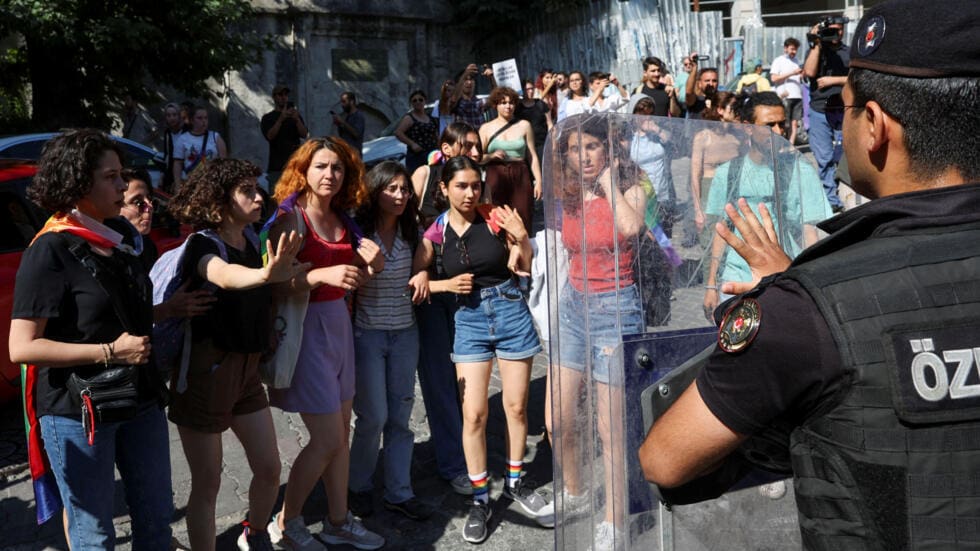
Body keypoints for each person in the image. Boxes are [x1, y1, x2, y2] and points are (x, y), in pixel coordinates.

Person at [640, 5, 980, 547]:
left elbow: (664, 459)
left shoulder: (809, 308)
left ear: (874, 126)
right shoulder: (807, 300)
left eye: (840, 109)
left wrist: (791, 300)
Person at [10, 128, 172, 549]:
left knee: (156, 524)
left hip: (141, 400)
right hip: (78, 412)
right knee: (93, 536)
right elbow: (22, 347)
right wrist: (110, 352)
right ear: (78, 183)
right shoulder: (50, 249)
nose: (122, 185)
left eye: (121, 175)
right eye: (111, 176)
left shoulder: (118, 235)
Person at [166, 158, 307, 551]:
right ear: (221, 201)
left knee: (268, 466)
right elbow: (224, 277)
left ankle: (255, 533)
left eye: (257, 188)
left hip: (245, 370)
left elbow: (259, 296)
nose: (259, 196)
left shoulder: (252, 240)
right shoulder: (203, 245)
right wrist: (266, 275)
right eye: (247, 191)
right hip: (206, 371)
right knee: (208, 482)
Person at [413, 156, 550, 544]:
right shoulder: (436, 231)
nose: (471, 193)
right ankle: (479, 498)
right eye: (462, 186)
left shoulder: (494, 216)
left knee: (517, 408)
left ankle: (515, 483)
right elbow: (416, 277)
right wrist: (441, 283)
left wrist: (521, 237)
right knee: (473, 415)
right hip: (469, 322)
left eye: (476, 185)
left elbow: (522, 266)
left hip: (509, 312)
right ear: (444, 188)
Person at [265, 137, 385, 551]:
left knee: (341, 436)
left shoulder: (343, 218)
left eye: (337, 168)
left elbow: (351, 281)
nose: (329, 175)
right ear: (303, 170)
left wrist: (374, 268)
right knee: (327, 439)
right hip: (305, 328)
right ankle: (287, 521)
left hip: (339, 325)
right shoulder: (289, 217)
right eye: (320, 167)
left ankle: (338, 520)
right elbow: (274, 284)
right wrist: (318, 277)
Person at [545, 116, 647, 551]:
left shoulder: (632, 186)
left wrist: (608, 183)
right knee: (557, 419)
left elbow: (630, 229)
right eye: (574, 149)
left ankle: (615, 521)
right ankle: (575, 490)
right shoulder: (568, 195)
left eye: (591, 146)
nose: (583, 156)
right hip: (573, 306)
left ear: (608, 149)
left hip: (616, 310)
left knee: (610, 430)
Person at [347, 161, 432, 521]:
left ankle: (399, 491)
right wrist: (373, 268)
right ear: (376, 190)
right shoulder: (357, 232)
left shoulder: (413, 230)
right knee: (372, 416)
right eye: (392, 189)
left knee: (401, 416)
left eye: (404, 189)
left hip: (405, 333)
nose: (400, 195)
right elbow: (349, 284)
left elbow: (421, 269)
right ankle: (358, 487)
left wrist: (425, 270)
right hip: (367, 334)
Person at [700, 91, 831, 319]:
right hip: (736, 278)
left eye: (782, 124)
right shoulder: (727, 173)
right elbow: (720, 233)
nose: (779, 132)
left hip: (784, 278)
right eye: (770, 125)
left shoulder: (801, 171)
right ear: (748, 127)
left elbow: (810, 233)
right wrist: (711, 285)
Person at [409, 122, 482, 497]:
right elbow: (415, 256)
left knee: (467, 384)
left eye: (476, 146)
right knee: (440, 384)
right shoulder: (424, 176)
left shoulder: (475, 189)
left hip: (468, 299)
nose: (472, 151)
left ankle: (471, 454)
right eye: (465, 145)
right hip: (435, 298)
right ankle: (453, 463)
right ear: (447, 148)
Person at [479, 86, 543, 233]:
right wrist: (491, 156)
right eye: (503, 102)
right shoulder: (486, 128)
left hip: (520, 173)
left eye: (511, 102)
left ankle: (523, 252)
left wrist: (538, 181)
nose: (508, 106)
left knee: (523, 216)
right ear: (495, 105)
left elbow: (531, 155)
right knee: (496, 216)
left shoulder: (524, 125)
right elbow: (477, 158)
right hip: (495, 173)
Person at [803, 14, 850, 211]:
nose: (837, 33)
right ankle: (832, 201)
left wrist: (835, 80)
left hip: (844, 110)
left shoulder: (849, 52)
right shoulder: (816, 51)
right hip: (819, 111)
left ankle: (841, 191)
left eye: (840, 29)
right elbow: (809, 73)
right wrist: (816, 43)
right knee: (824, 159)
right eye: (832, 29)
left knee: (843, 157)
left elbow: (859, 78)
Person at [689, 91, 741, 237]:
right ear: (720, 110)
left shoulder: (738, 136)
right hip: (710, 190)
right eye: (733, 108)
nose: (737, 112)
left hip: (733, 190)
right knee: (710, 238)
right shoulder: (703, 137)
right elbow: (695, 174)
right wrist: (698, 210)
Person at [261, 84, 310, 192]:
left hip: (295, 165)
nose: (284, 97)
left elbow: (304, 134)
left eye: (286, 95)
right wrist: (281, 119)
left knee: (297, 198)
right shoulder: (268, 118)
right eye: (280, 95)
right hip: (277, 167)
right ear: (274, 97)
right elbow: (270, 136)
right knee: (276, 199)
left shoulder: (295, 115)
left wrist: (297, 119)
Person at [172, 105, 227, 191]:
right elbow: (177, 164)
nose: (204, 121)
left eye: (206, 118)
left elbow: (224, 162)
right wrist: (177, 185)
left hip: (213, 184)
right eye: (200, 118)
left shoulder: (215, 137)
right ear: (192, 120)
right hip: (191, 185)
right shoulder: (183, 139)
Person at [394, 89, 439, 173]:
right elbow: (398, 132)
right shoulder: (409, 118)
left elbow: (436, 134)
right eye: (414, 100)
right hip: (417, 156)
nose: (418, 102)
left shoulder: (430, 118)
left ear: (425, 101)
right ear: (411, 104)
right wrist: (412, 144)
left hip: (432, 154)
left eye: (420, 99)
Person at [770, 38, 805, 145]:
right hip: (785, 96)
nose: (794, 52)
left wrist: (801, 75)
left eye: (796, 50)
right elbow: (774, 78)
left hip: (797, 96)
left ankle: (790, 147)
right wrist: (792, 73)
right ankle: (780, 145)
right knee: (784, 124)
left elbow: (799, 78)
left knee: (794, 124)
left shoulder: (797, 61)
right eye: (792, 49)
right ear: (785, 48)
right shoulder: (778, 61)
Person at [449, 64, 494, 129]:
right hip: (463, 138)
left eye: (471, 79)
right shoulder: (456, 102)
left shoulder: (479, 102)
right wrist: (465, 73)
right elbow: (453, 100)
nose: (469, 82)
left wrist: (491, 77)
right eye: (465, 79)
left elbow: (497, 97)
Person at [333, 91, 366, 156]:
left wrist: (343, 122)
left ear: (351, 102)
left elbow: (356, 134)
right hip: (346, 153)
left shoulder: (358, 116)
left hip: (354, 154)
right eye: (341, 102)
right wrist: (339, 124)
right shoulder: (348, 117)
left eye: (344, 102)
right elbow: (344, 135)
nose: (342, 105)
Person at [161, 102, 184, 192]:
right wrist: (162, 175)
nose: (172, 118)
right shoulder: (167, 133)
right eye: (169, 115)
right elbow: (167, 155)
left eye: (174, 115)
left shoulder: (186, 131)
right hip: (170, 175)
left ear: (179, 116)